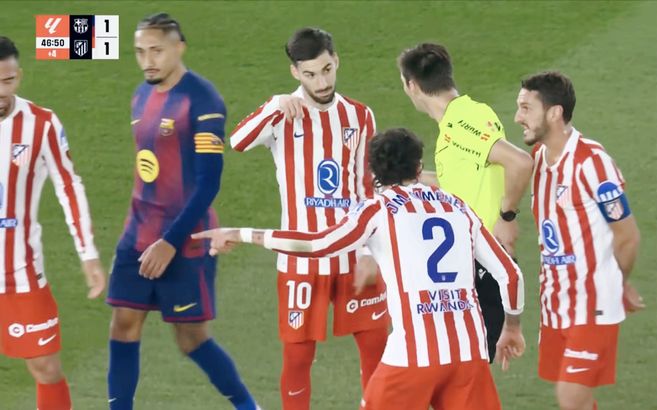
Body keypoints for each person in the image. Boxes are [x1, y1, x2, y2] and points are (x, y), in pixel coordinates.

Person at [194, 128, 526, 410]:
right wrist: (511, 327)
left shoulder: (377, 210)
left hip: (411, 357)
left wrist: (242, 233)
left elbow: (316, 244)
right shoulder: (458, 207)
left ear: (372, 172)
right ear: (419, 166)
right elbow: (510, 274)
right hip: (468, 354)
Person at [105, 13, 258, 410]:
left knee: (191, 338)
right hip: (138, 233)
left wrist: (169, 242)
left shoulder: (203, 101)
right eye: (140, 52)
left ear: (179, 47)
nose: (147, 61)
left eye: (156, 50)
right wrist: (143, 234)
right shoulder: (140, 95)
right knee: (123, 325)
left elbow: (208, 183)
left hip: (185, 239)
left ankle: (248, 406)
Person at [230, 27, 388, 410]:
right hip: (300, 258)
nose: (322, 82)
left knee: (376, 347)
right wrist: (274, 105)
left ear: (337, 61)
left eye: (327, 70)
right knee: (298, 357)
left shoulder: (359, 116)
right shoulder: (282, 115)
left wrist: (371, 251)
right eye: (311, 74)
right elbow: (237, 142)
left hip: (354, 253)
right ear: (295, 72)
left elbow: (369, 186)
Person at [514, 71, 644, 410]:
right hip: (556, 303)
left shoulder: (592, 163)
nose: (518, 118)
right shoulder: (538, 159)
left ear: (554, 113)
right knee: (578, 401)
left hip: (593, 303)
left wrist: (617, 282)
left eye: (526, 108)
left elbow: (627, 235)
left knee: (570, 396)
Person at [397, 43, 534, 362]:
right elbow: (464, 181)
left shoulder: (461, 122)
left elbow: (520, 162)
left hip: (485, 263)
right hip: (469, 263)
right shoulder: (462, 118)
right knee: (459, 366)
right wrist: (410, 180)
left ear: (411, 85)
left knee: (465, 367)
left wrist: (507, 216)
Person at [0, 36, 106, 410]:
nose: (1, 91)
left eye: (8, 80)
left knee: (46, 366)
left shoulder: (41, 124)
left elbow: (69, 186)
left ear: (19, 76)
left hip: (19, 271)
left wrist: (87, 253)